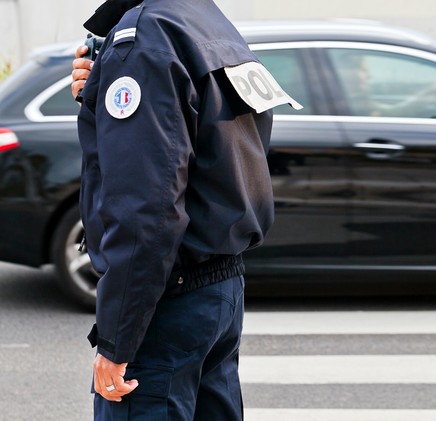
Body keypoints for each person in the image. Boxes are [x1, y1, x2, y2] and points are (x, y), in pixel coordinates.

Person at [71, 0, 301, 419]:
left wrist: (118, 340)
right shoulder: (203, 18)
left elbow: (146, 210)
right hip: (219, 288)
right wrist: (98, 95)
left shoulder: (143, 38)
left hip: (169, 299)